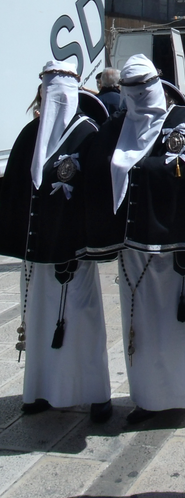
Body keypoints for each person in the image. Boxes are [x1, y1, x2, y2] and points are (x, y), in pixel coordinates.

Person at [84, 54, 185, 424]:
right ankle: (150, 397)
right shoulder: (115, 129)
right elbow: (93, 169)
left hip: (182, 247)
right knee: (145, 326)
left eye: (145, 86)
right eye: (131, 89)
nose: (140, 94)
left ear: (158, 83)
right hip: (137, 250)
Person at [0, 60, 112, 422]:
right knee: (37, 319)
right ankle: (40, 391)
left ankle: (97, 394)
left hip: (72, 253)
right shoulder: (28, 136)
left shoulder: (89, 134)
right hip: (37, 253)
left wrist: (85, 241)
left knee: (82, 321)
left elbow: (98, 195)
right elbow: (15, 190)